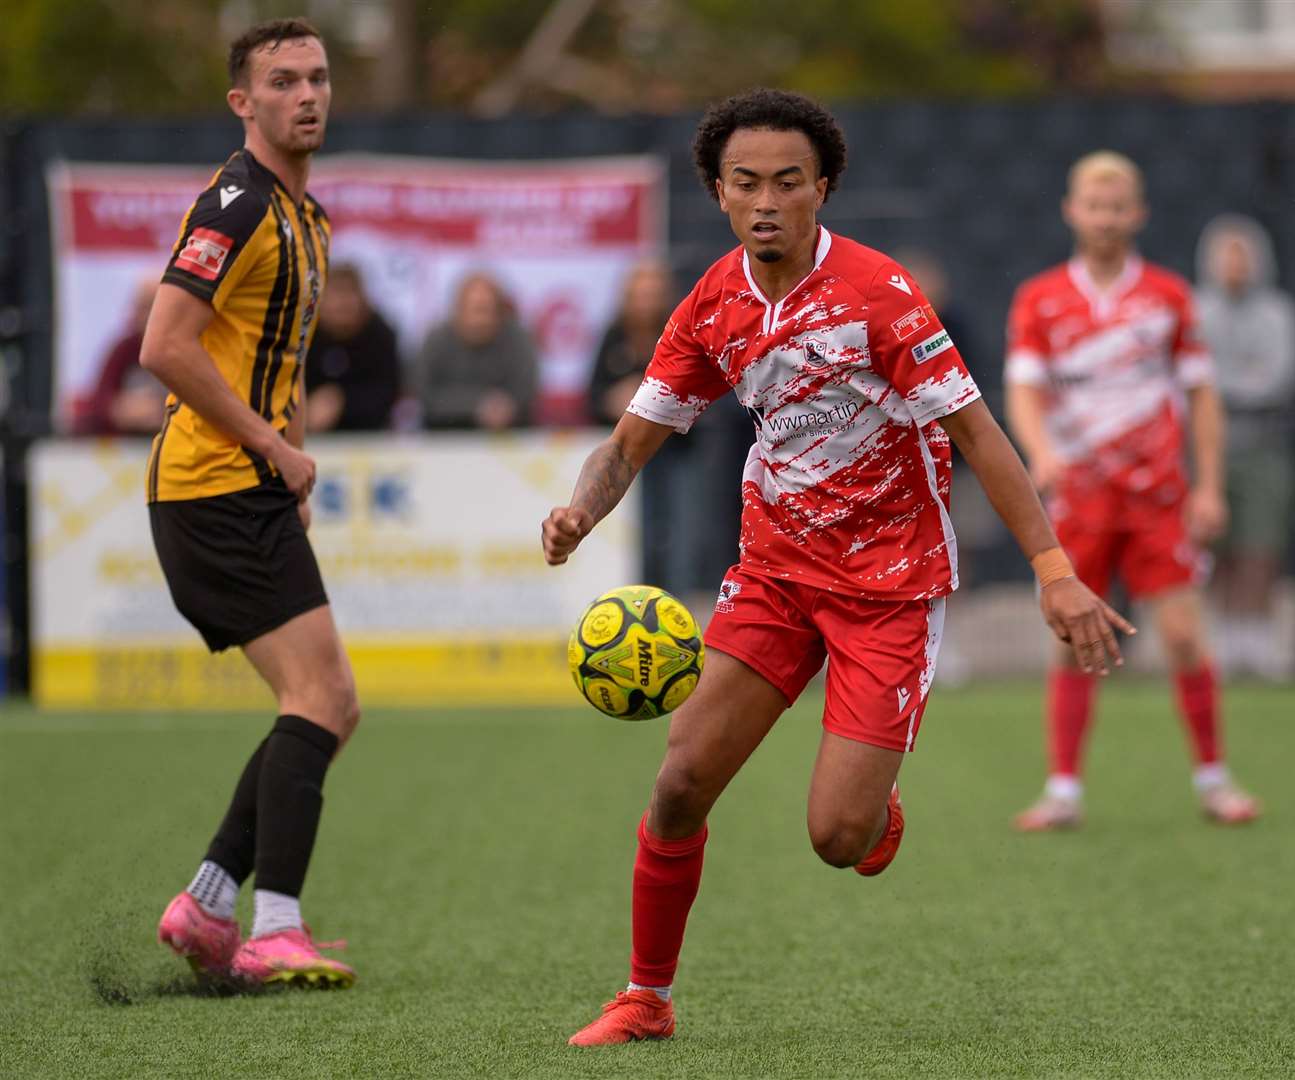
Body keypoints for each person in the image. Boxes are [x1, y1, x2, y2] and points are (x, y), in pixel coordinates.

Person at [540, 89, 1133, 1047]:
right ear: (718, 194)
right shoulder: (713, 305)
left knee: (836, 840)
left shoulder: (880, 295)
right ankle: (646, 997)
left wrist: (1052, 567)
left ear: (823, 187)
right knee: (682, 780)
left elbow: (977, 434)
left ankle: (873, 800)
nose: (766, 200)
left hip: (892, 587)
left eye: (787, 181)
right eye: (746, 184)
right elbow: (631, 441)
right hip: (775, 574)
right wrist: (580, 509)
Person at [140, 17, 357, 987]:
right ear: (244, 103)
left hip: (247, 485)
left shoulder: (303, 214)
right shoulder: (234, 201)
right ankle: (272, 929)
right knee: (324, 699)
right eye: (282, 81)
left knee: (321, 706)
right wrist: (270, 446)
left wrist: (290, 456)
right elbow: (165, 345)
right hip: (211, 485)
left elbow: (280, 361)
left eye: (316, 77)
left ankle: (208, 906)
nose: (305, 95)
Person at [1005, 151, 1260, 832]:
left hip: (1157, 496)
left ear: (1138, 213)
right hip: (1081, 497)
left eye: (1119, 206)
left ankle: (1214, 780)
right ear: (1072, 210)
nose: (1106, 217)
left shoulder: (1170, 297)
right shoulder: (1040, 298)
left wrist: (1209, 485)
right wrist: (1042, 451)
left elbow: (1203, 397)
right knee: (1070, 638)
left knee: (1181, 634)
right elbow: (1023, 389)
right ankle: (1063, 790)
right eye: (1095, 204)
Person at [1194, 214, 1295, 680]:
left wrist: (1224, 388)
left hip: (1265, 447)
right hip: (1206, 452)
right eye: (1227, 255)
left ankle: (1257, 635)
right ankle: (1223, 636)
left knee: (1260, 544)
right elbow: (1195, 376)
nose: (1235, 265)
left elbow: (1278, 377)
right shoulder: (1194, 309)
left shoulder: (1279, 313)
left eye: (1243, 255)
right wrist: (1231, 385)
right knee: (1214, 545)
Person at [587, 260, 702, 597]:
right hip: (631, 452)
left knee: (682, 531)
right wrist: (614, 400)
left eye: (652, 294)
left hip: (679, 449)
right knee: (637, 532)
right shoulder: (613, 336)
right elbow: (592, 395)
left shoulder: (681, 330)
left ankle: (676, 601)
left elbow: (704, 388)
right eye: (640, 295)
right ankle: (638, 600)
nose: (646, 302)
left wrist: (653, 398)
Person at [414, 271, 538, 430]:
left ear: (500, 312)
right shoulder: (437, 340)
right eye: (474, 310)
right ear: (458, 310)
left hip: (508, 436)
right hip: (446, 436)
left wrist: (507, 407)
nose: (479, 320)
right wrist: (476, 405)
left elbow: (527, 389)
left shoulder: (519, 339)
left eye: (486, 310)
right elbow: (424, 393)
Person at [304, 262, 402, 432]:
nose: (342, 303)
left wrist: (342, 402)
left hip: (371, 436)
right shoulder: (304, 335)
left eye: (348, 294)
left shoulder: (380, 335)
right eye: (335, 294)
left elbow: (388, 393)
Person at [74, 275, 167, 436]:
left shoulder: (183, 351)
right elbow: (99, 402)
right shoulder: (124, 349)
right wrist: (118, 409)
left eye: (152, 307)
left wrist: (160, 412)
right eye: (141, 307)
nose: (145, 316)